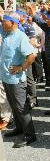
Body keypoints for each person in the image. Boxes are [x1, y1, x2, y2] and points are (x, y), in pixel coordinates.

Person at [0, 13, 37, 148]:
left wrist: (21, 67)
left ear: (14, 23)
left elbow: (32, 55)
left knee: (22, 107)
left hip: (16, 80)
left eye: (5, 21)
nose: (3, 23)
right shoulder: (6, 33)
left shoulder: (20, 36)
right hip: (6, 77)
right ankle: (19, 128)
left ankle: (30, 135)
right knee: (14, 106)